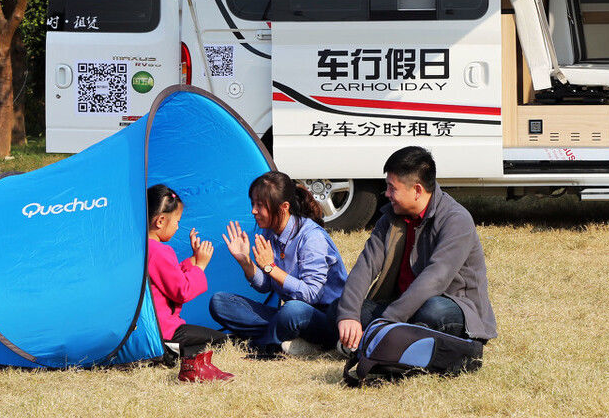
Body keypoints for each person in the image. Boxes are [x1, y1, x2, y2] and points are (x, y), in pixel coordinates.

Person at [335, 146, 497, 352]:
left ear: (417, 190)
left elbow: (435, 279)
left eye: (392, 188)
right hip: (400, 306)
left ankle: (378, 338)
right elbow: (365, 267)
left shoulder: (456, 219)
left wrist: (387, 320)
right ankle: (385, 340)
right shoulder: (390, 218)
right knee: (340, 308)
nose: (387, 194)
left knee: (433, 311)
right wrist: (349, 315)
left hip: (452, 307)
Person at [209, 171, 348, 357]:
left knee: (293, 310)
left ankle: (264, 345)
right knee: (220, 302)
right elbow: (266, 286)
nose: (253, 211)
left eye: (260, 205)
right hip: (289, 315)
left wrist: (271, 268)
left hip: (325, 318)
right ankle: (288, 338)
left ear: (283, 207)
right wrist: (246, 262)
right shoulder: (269, 232)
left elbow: (311, 295)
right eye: (253, 204)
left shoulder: (311, 237)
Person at [146, 184, 234, 383]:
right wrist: (200, 266)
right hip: (165, 330)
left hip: (149, 328)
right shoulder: (160, 251)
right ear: (160, 221)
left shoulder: (143, 248)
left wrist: (193, 260)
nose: (178, 226)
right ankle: (168, 354)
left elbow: (168, 277)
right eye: (177, 221)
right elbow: (181, 291)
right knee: (218, 340)